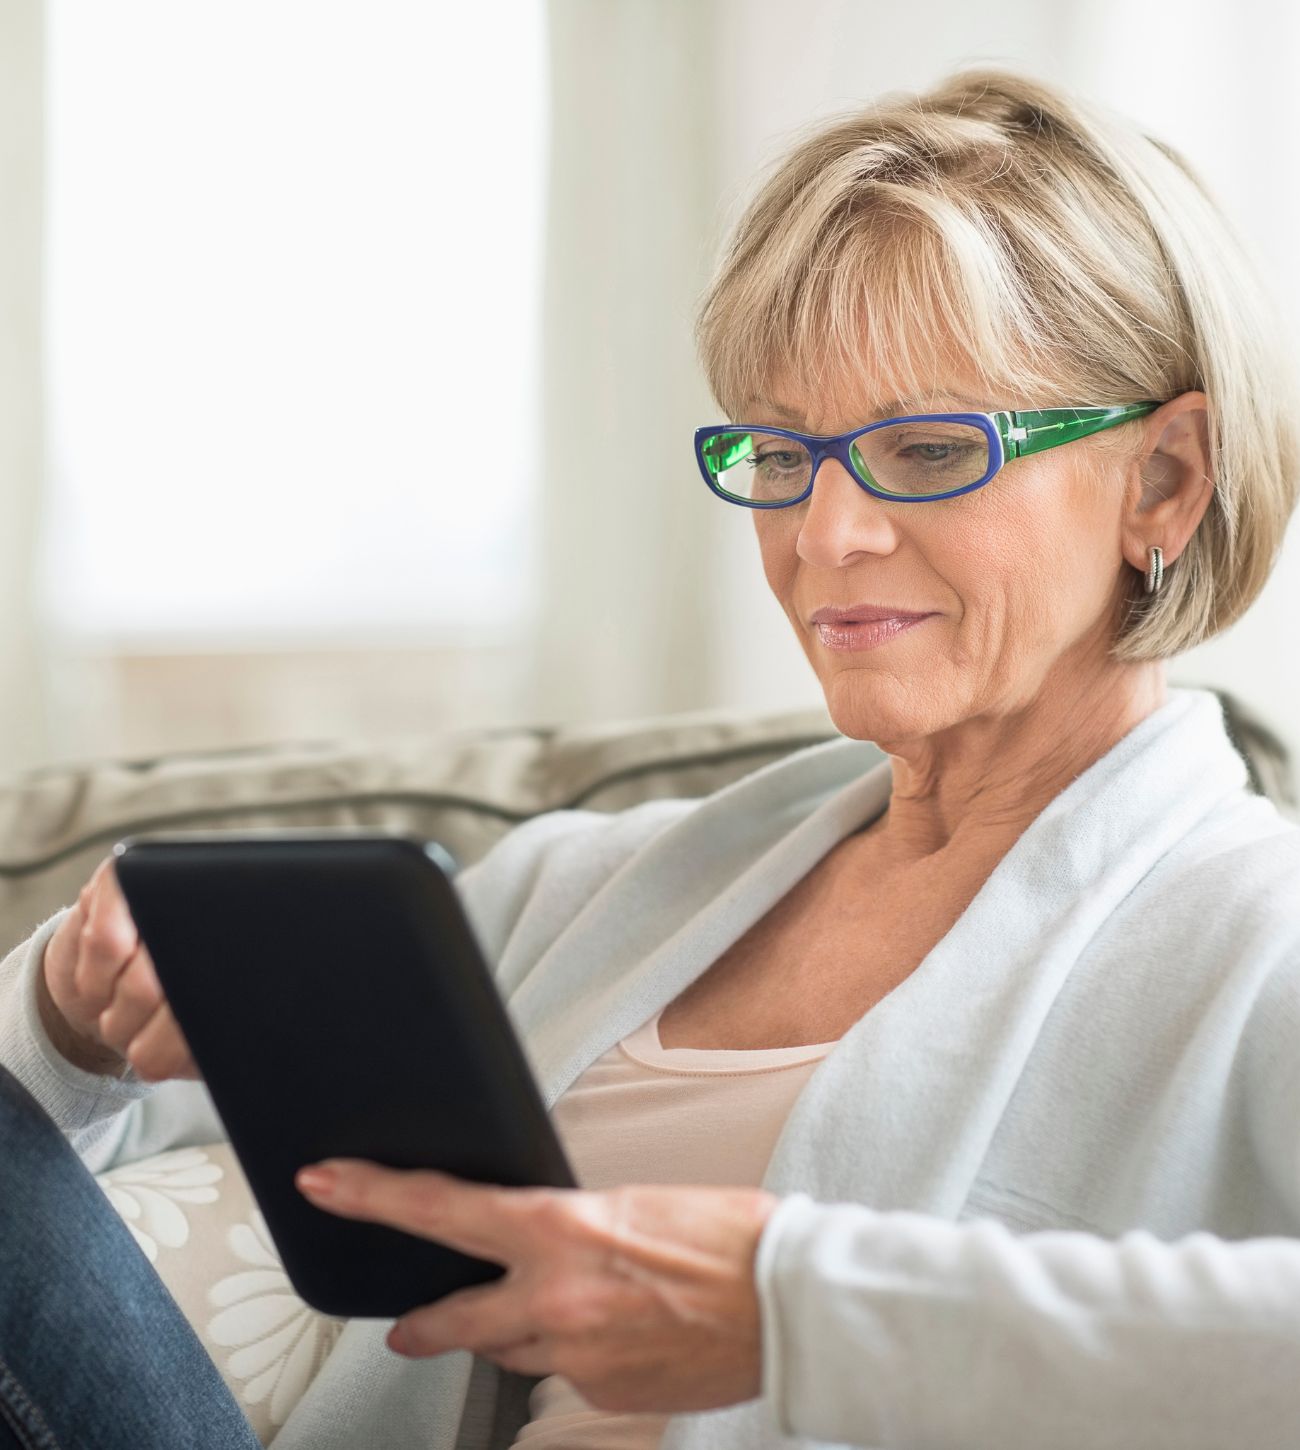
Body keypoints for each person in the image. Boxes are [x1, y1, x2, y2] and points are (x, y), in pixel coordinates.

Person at [3, 64, 1300, 1450]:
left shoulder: (1255, 933)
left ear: (1164, 479)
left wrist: (788, 1309)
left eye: (928, 448)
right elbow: (66, 1190)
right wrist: (78, 1022)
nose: (828, 532)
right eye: (783, 451)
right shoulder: (593, 887)